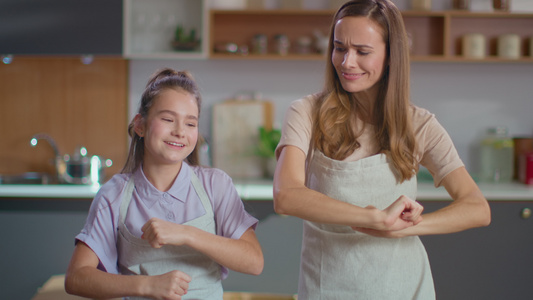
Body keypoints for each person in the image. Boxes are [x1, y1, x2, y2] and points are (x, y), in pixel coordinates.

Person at [272, 0, 491, 299]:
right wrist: (374, 218)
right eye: (339, 48)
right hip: (327, 286)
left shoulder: (419, 124)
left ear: (391, 56)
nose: (347, 62)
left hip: (403, 286)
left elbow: (477, 208)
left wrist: (408, 227)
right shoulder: (306, 113)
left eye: (362, 52)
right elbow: (287, 196)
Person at [65, 68, 263, 300]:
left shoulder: (215, 185)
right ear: (140, 125)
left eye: (190, 124)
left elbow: (254, 261)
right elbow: (76, 278)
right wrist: (146, 286)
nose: (179, 132)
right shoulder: (114, 194)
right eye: (168, 119)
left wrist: (187, 233)